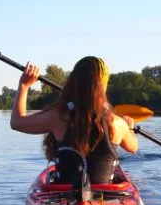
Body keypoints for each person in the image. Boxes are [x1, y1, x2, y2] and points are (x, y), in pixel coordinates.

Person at [10, 56, 138, 185]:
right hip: (105, 197)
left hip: (64, 197)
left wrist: (24, 85)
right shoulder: (117, 123)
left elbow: (16, 122)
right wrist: (129, 128)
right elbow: (133, 148)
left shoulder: (57, 117)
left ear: (73, 82)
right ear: (104, 85)